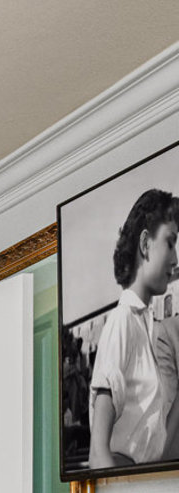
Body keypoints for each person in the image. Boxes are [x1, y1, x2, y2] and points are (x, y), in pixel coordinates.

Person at [88, 189, 179, 469]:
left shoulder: (147, 327)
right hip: (125, 483)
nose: (176, 258)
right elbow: (97, 454)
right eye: (170, 243)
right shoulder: (123, 321)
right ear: (145, 244)